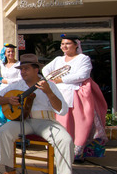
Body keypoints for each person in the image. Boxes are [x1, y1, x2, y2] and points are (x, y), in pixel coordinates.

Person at [0, 54, 74, 174]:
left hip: (46, 121)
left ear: (37, 70)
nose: (22, 72)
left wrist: (48, 93)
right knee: (4, 131)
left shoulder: (50, 85)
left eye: (26, 69)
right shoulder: (16, 84)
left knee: (65, 139)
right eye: (21, 69)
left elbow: (62, 109)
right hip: (23, 121)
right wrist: (8, 100)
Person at [42, 34, 108, 162]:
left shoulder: (83, 59)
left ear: (76, 45)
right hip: (59, 95)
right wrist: (51, 79)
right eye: (62, 44)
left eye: (67, 44)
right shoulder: (58, 60)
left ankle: (77, 152)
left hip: (76, 96)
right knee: (60, 123)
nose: (64, 46)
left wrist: (61, 79)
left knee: (78, 124)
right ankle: (60, 150)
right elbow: (45, 70)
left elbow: (83, 74)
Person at [0, 43, 21, 137]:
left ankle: (13, 135)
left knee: (11, 111)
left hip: (14, 91)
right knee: (0, 112)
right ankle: (0, 133)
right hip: (2, 91)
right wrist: (2, 82)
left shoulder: (19, 64)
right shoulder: (2, 65)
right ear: (4, 53)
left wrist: (6, 81)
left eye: (12, 51)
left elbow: (20, 79)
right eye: (8, 51)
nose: (11, 53)